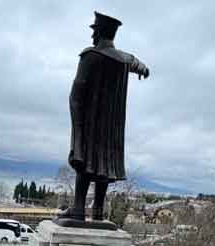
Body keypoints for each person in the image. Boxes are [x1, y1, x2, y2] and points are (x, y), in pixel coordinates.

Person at [58, 12, 150, 224]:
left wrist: (76, 125)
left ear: (99, 33)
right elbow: (138, 64)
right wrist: (143, 70)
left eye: (94, 32)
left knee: (85, 160)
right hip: (113, 128)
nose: (92, 37)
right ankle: (98, 210)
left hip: (91, 123)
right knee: (105, 164)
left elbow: (77, 92)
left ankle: (79, 209)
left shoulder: (90, 56)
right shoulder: (125, 59)